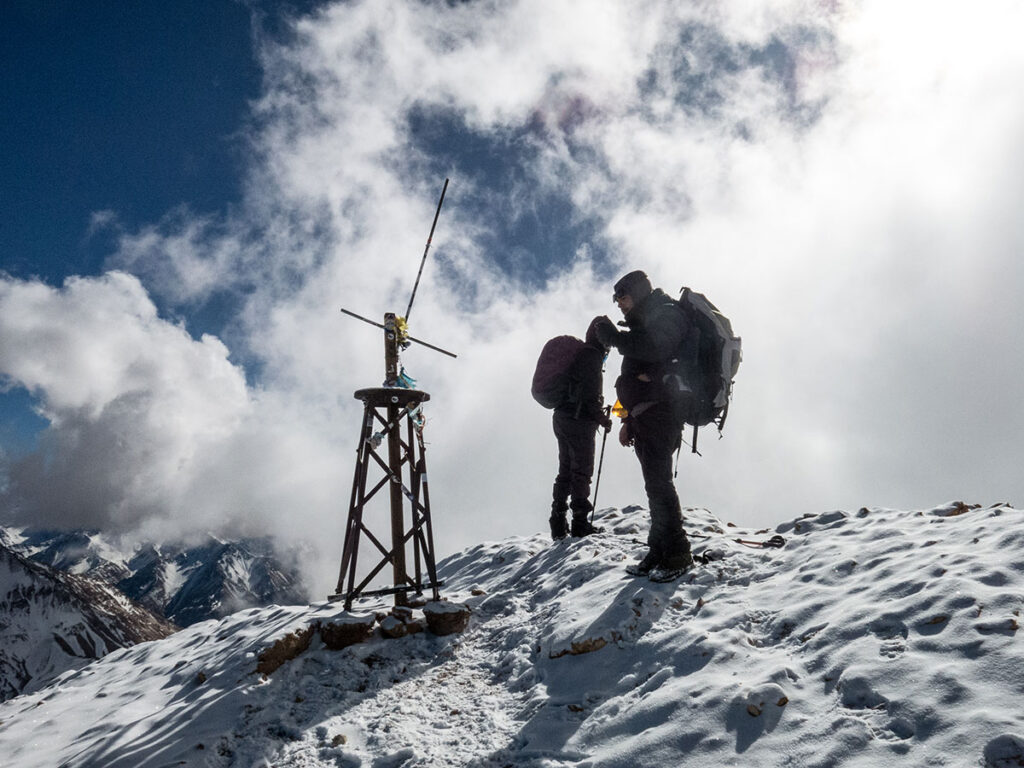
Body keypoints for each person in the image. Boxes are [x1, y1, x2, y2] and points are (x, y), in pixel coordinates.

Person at [592, 270, 695, 581]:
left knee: (660, 485)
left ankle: (678, 554)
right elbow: (638, 369)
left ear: (635, 294)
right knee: (654, 486)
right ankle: (658, 549)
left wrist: (615, 339)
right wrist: (627, 421)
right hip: (644, 417)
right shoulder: (643, 323)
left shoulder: (666, 314)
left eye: (622, 298)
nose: (619, 305)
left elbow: (656, 349)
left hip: (662, 415)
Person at [549, 318, 613, 540]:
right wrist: (603, 420)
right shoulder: (592, 357)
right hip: (579, 421)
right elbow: (589, 397)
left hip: (561, 416)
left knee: (565, 469)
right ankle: (579, 524)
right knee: (582, 472)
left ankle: (557, 522)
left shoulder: (580, 354)